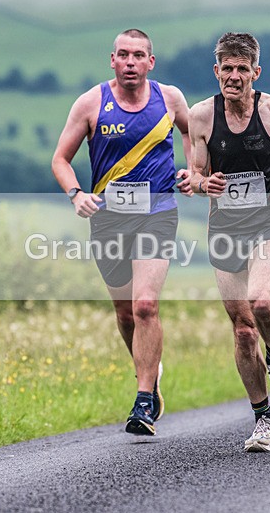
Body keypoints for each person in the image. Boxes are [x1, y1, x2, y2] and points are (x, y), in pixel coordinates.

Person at [51, 29, 193, 436]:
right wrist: (76, 194)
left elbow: (191, 132)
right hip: (108, 218)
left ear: (151, 62)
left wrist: (193, 169)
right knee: (125, 311)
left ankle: (144, 399)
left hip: (158, 212)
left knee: (146, 305)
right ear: (111, 60)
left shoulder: (170, 98)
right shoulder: (92, 102)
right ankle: (149, 370)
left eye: (139, 56)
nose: (131, 62)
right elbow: (61, 159)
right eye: (124, 56)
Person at [188, 32, 270, 452]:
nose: (234, 76)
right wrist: (202, 182)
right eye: (227, 68)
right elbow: (195, 170)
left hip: (269, 222)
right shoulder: (202, 116)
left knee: (262, 302)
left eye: (243, 69)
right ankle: (263, 420)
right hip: (224, 228)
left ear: (256, 73)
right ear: (216, 71)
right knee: (243, 331)